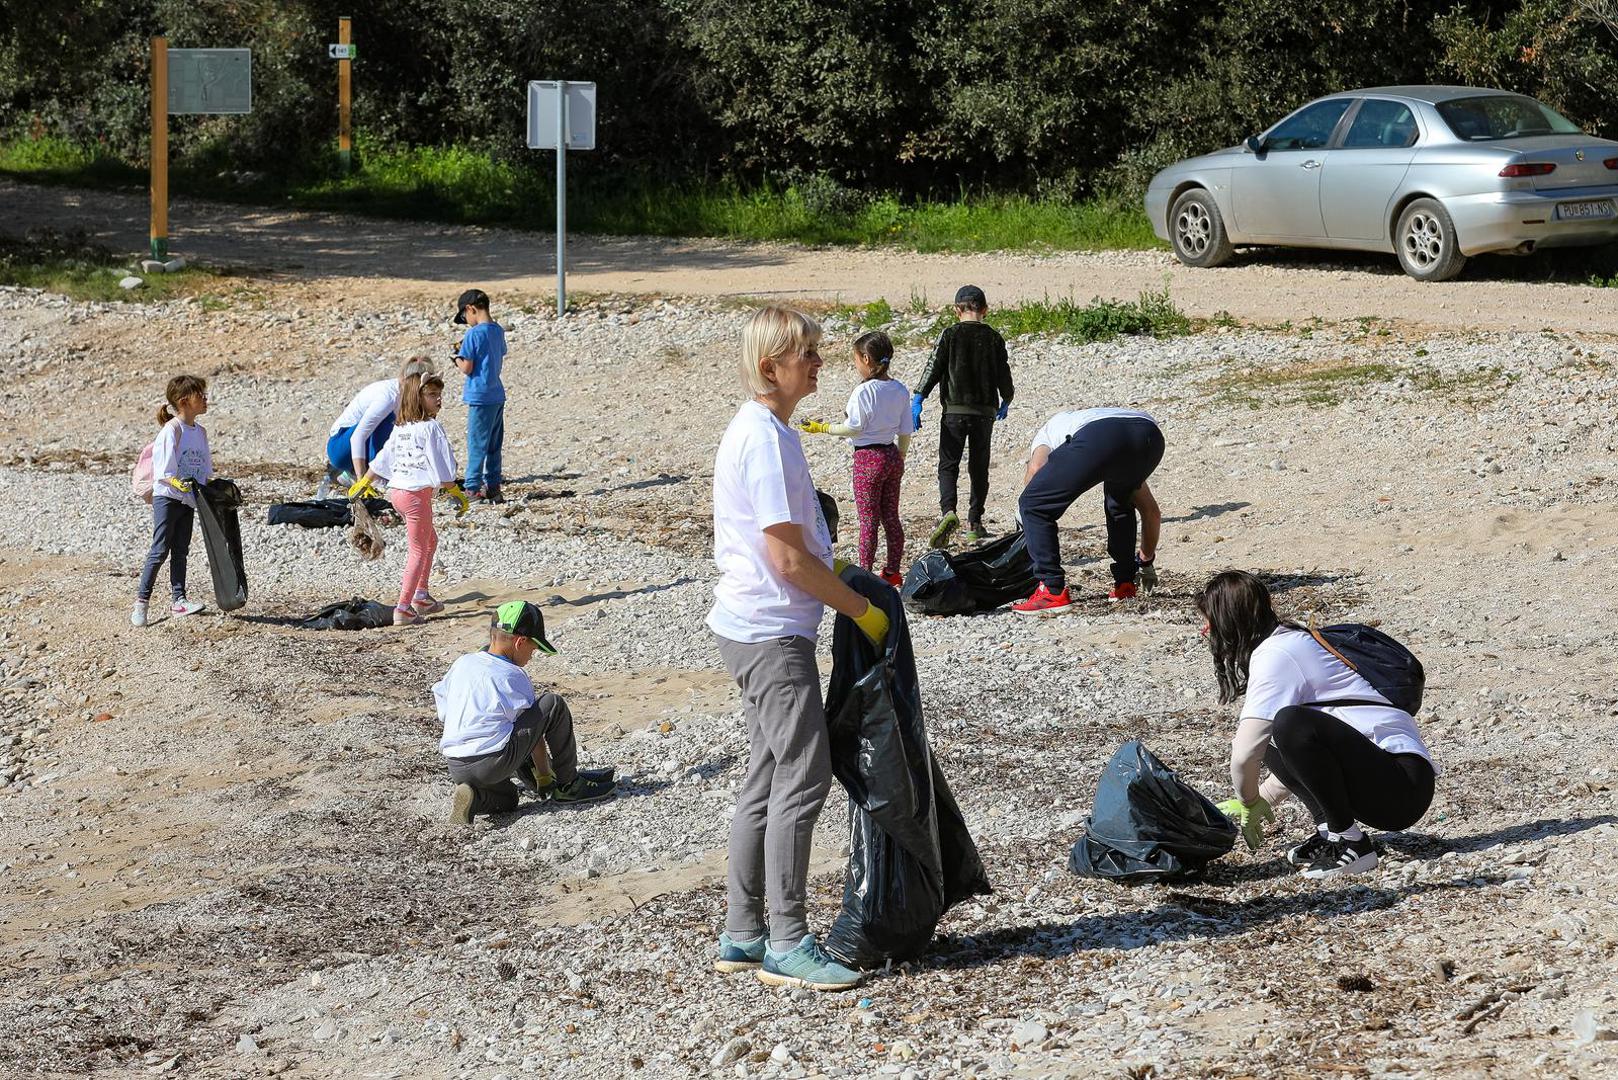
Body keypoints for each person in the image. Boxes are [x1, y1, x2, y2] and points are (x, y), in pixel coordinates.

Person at [708, 305, 890, 992]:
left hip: (753, 626)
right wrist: (862, 611)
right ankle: (785, 940)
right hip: (771, 632)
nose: (817, 362)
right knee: (804, 777)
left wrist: (835, 571)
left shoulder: (765, 429)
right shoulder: (765, 439)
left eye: (817, 349)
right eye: (805, 353)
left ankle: (742, 932)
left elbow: (792, 545)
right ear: (769, 367)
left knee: (764, 775)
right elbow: (784, 559)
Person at [1195, 571, 1438, 879]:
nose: (1205, 631)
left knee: (1287, 723)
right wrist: (1262, 800)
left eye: (1210, 621)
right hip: (1386, 780)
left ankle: (1353, 844)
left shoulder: (1276, 655)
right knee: (1273, 732)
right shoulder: (1287, 640)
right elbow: (1305, 756)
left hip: (1403, 786)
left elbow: (1244, 754)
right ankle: (1330, 833)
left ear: (1232, 621)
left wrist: (1249, 802)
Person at [436, 602, 617, 824]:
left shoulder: (462, 663)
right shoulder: (512, 674)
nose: (532, 656)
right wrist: (542, 775)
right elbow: (534, 733)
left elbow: (444, 711)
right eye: (533, 649)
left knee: (509, 799)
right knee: (552, 704)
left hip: (456, 765)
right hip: (492, 762)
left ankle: (474, 797)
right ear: (520, 642)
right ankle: (569, 784)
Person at [1010, 407, 1163, 615]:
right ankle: (1125, 584)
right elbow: (1151, 512)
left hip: (1102, 438)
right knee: (1119, 502)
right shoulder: (1085, 420)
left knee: (1033, 504)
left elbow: (1036, 470)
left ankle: (1052, 590)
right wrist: (1146, 561)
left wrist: (1026, 516)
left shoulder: (1046, 433)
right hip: (1149, 436)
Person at [347, 374, 470, 625]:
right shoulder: (431, 428)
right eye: (432, 395)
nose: (439, 400)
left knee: (429, 540)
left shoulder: (401, 429)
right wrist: (455, 491)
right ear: (418, 398)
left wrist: (364, 481)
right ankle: (403, 607)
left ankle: (421, 596)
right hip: (415, 497)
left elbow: (383, 458)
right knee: (417, 549)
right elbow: (442, 465)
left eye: (439, 394)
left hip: (398, 494)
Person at [800, 330, 914, 587]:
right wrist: (901, 457)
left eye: (855, 361)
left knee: (868, 520)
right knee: (891, 517)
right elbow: (905, 429)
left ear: (865, 358)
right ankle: (893, 571)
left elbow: (854, 427)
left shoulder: (863, 393)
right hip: (891, 454)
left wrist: (823, 428)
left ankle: (866, 572)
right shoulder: (899, 389)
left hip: (868, 459)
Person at [912, 285, 1014, 547]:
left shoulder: (950, 334)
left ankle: (948, 512)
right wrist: (1007, 399)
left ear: (956, 310)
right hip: (984, 412)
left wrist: (919, 398)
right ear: (985, 310)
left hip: (954, 411)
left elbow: (933, 366)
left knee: (948, 463)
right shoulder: (993, 337)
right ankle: (974, 523)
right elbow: (1003, 372)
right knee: (979, 466)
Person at [133, 375, 214, 627]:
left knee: (181, 551)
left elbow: (205, 469)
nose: (204, 398)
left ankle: (179, 600)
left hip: (188, 500)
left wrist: (206, 492)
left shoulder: (200, 431)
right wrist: (182, 486)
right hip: (167, 498)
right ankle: (141, 603)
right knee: (160, 550)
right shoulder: (171, 431)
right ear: (183, 401)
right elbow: (165, 473)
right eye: (199, 394)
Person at [320, 357, 434, 496]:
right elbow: (358, 437)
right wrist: (362, 481)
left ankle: (356, 474)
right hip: (340, 447)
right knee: (389, 419)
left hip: (362, 448)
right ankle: (370, 475)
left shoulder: (409, 397)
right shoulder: (388, 397)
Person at [453, 288, 508, 504]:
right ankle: (493, 487)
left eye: (465, 317)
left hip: (479, 396)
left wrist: (457, 358)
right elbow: (500, 353)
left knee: (476, 443)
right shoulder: (498, 330)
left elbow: (467, 367)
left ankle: (472, 489)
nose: (466, 321)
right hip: (497, 394)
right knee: (494, 443)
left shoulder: (473, 334)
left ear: (471, 309)